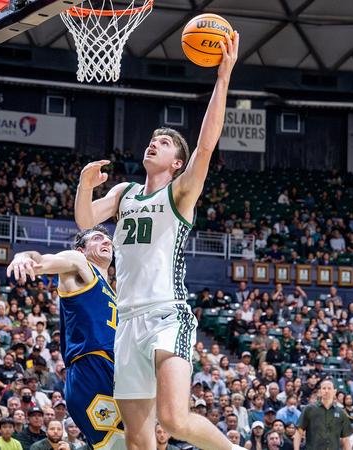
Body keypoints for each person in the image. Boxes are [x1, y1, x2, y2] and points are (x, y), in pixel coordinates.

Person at [73, 29, 242, 450]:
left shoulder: (180, 192)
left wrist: (222, 79)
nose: (153, 144)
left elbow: (206, 146)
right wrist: (83, 183)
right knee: (137, 438)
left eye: (163, 143)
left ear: (177, 162)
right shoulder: (124, 193)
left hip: (168, 313)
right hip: (127, 320)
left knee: (174, 417)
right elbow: (83, 221)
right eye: (151, 140)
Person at [8, 226, 124, 449]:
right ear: (81, 249)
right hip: (90, 366)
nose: (107, 242)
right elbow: (43, 261)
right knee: (117, 445)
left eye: (108, 240)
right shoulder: (79, 263)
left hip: (113, 370)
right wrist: (24, 256)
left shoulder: (114, 291)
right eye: (98, 238)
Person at [294, 379, 352, 450]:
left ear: (334, 391)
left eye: (329, 388)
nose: (326, 391)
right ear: (320, 392)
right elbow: (299, 432)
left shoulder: (341, 412)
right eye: (324, 388)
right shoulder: (309, 409)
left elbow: (345, 439)